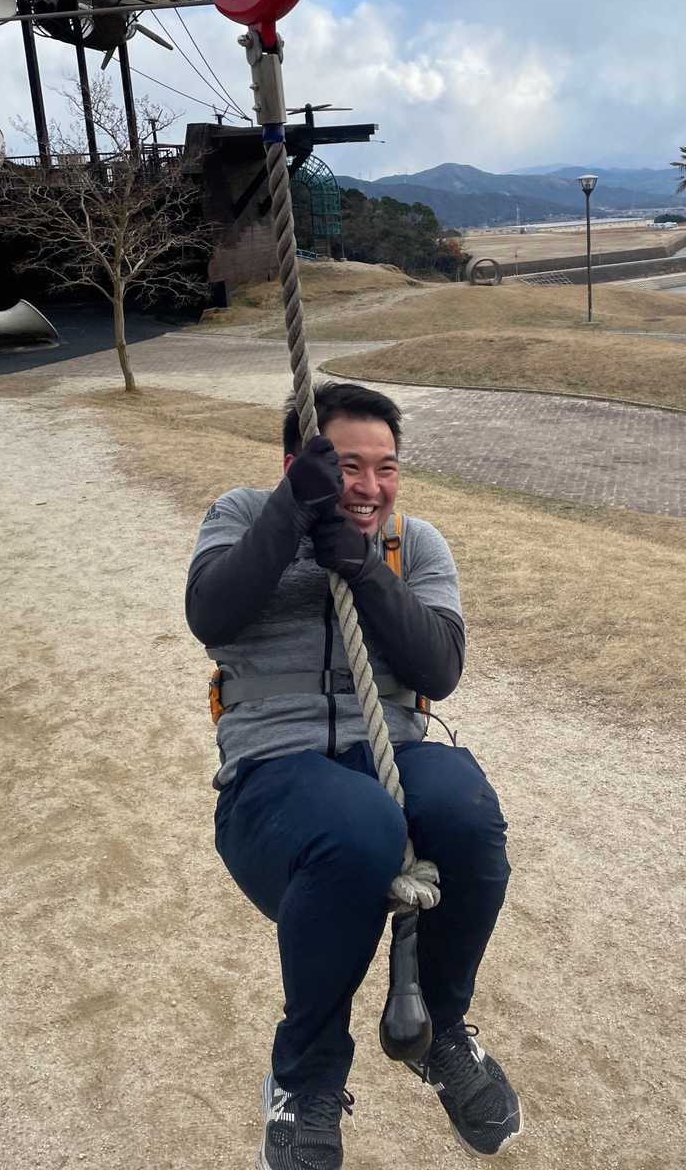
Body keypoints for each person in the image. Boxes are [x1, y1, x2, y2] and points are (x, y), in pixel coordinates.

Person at [185, 382, 520, 1170]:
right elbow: (210, 613)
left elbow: (440, 666)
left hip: (390, 752)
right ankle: (303, 1079)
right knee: (362, 824)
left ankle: (441, 1031)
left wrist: (364, 568)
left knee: (467, 809)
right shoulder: (241, 515)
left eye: (386, 467)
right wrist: (288, 518)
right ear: (297, 463)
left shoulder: (413, 544)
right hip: (275, 772)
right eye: (347, 466)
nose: (370, 487)